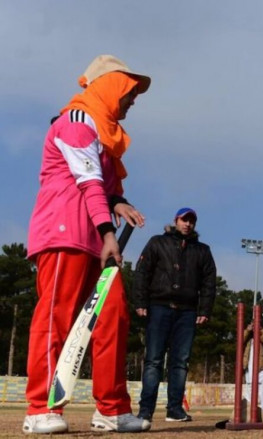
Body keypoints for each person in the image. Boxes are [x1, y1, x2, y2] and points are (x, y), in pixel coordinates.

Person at [23, 54, 151, 434]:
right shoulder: (77, 122)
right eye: (129, 91)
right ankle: (40, 409)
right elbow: (88, 182)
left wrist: (118, 202)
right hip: (65, 234)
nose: (133, 100)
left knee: (114, 316)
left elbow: (104, 187)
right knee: (56, 318)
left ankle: (112, 410)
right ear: (110, 86)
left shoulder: (106, 134)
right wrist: (110, 232)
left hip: (95, 236)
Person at [133, 207, 217, 423]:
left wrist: (205, 310)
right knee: (153, 360)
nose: (187, 224)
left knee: (180, 362)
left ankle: (175, 409)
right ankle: (145, 410)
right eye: (184, 220)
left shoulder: (202, 250)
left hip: (187, 311)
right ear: (176, 220)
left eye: (191, 221)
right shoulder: (157, 242)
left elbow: (209, 282)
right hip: (159, 307)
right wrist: (140, 302)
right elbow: (142, 272)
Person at [242, 321, 263, 422]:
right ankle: (249, 415)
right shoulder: (248, 336)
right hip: (249, 369)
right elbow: (240, 340)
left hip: (261, 368)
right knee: (249, 391)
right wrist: (247, 330)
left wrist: (260, 331)